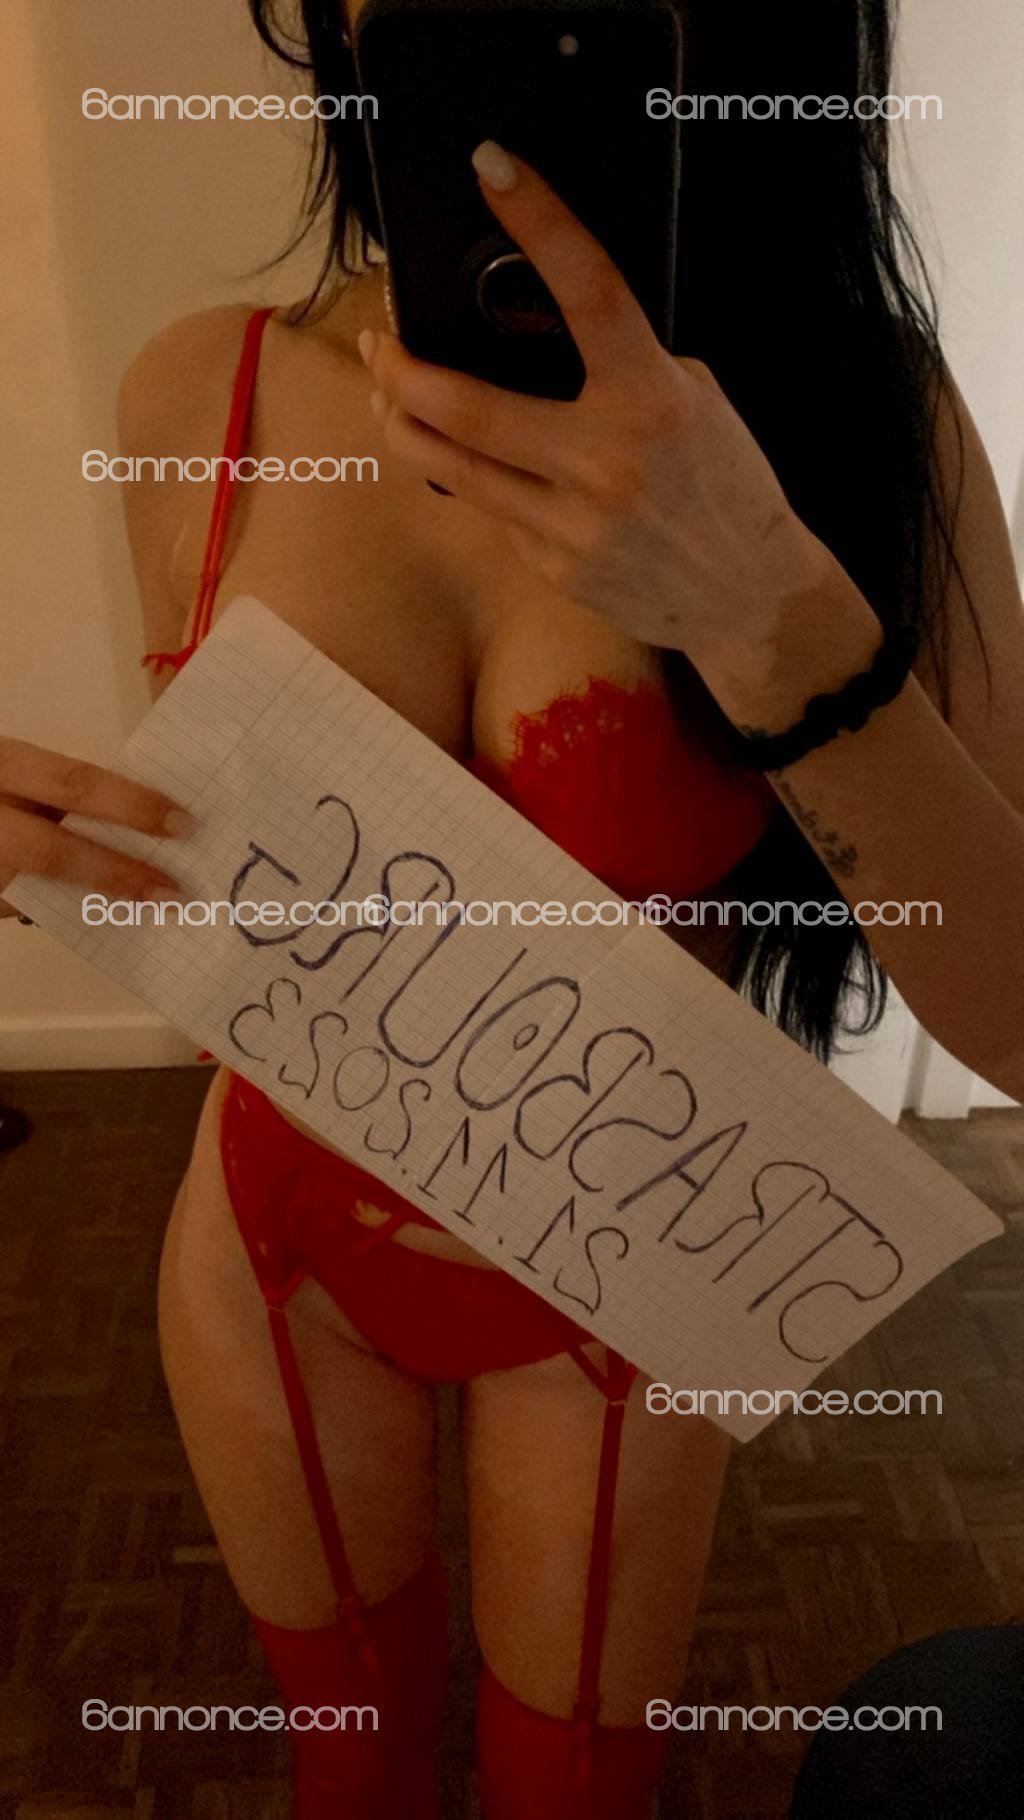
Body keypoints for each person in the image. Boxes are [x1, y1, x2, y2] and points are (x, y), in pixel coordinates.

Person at [1, 3, 1022, 1815]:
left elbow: (1015, 1019)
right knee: (353, 1778)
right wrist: (46, 847)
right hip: (273, 1251)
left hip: (623, 1289)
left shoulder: (866, 418)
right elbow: (191, 858)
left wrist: (771, 607)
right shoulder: (197, 394)